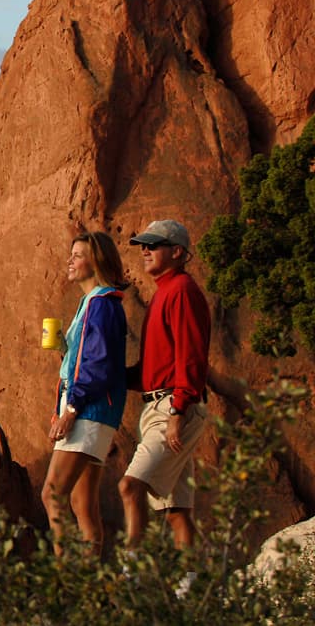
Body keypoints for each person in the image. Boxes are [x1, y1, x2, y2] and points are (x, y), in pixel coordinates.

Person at [118, 219, 211, 551]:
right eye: (144, 244)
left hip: (173, 406)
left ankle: (133, 579)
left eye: (153, 245)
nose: (145, 250)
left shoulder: (182, 291)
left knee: (130, 486)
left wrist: (177, 411)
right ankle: (188, 592)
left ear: (177, 252)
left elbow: (192, 355)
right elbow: (151, 371)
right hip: (163, 403)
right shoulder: (164, 293)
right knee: (176, 510)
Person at [43, 230, 128, 555]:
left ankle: (68, 587)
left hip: (88, 411)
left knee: (52, 496)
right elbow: (85, 360)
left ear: (97, 260)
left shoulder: (102, 305)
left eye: (78, 255)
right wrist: (65, 347)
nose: (71, 260)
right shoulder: (91, 303)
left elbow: (100, 365)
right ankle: (90, 586)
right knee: (82, 503)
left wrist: (71, 410)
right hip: (94, 409)